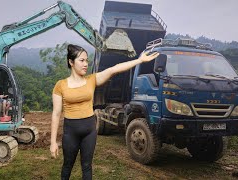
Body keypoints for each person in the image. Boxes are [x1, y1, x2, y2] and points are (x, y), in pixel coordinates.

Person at [50, 44, 159, 180]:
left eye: (86, 60)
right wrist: (53, 142)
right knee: (67, 165)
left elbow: (114, 69)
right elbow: (56, 113)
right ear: (71, 62)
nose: (86, 64)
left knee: (87, 166)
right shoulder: (60, 85)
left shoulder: (91, 80)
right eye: (81, 60)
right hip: (70, 131)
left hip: (89, 130)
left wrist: (140, 60)